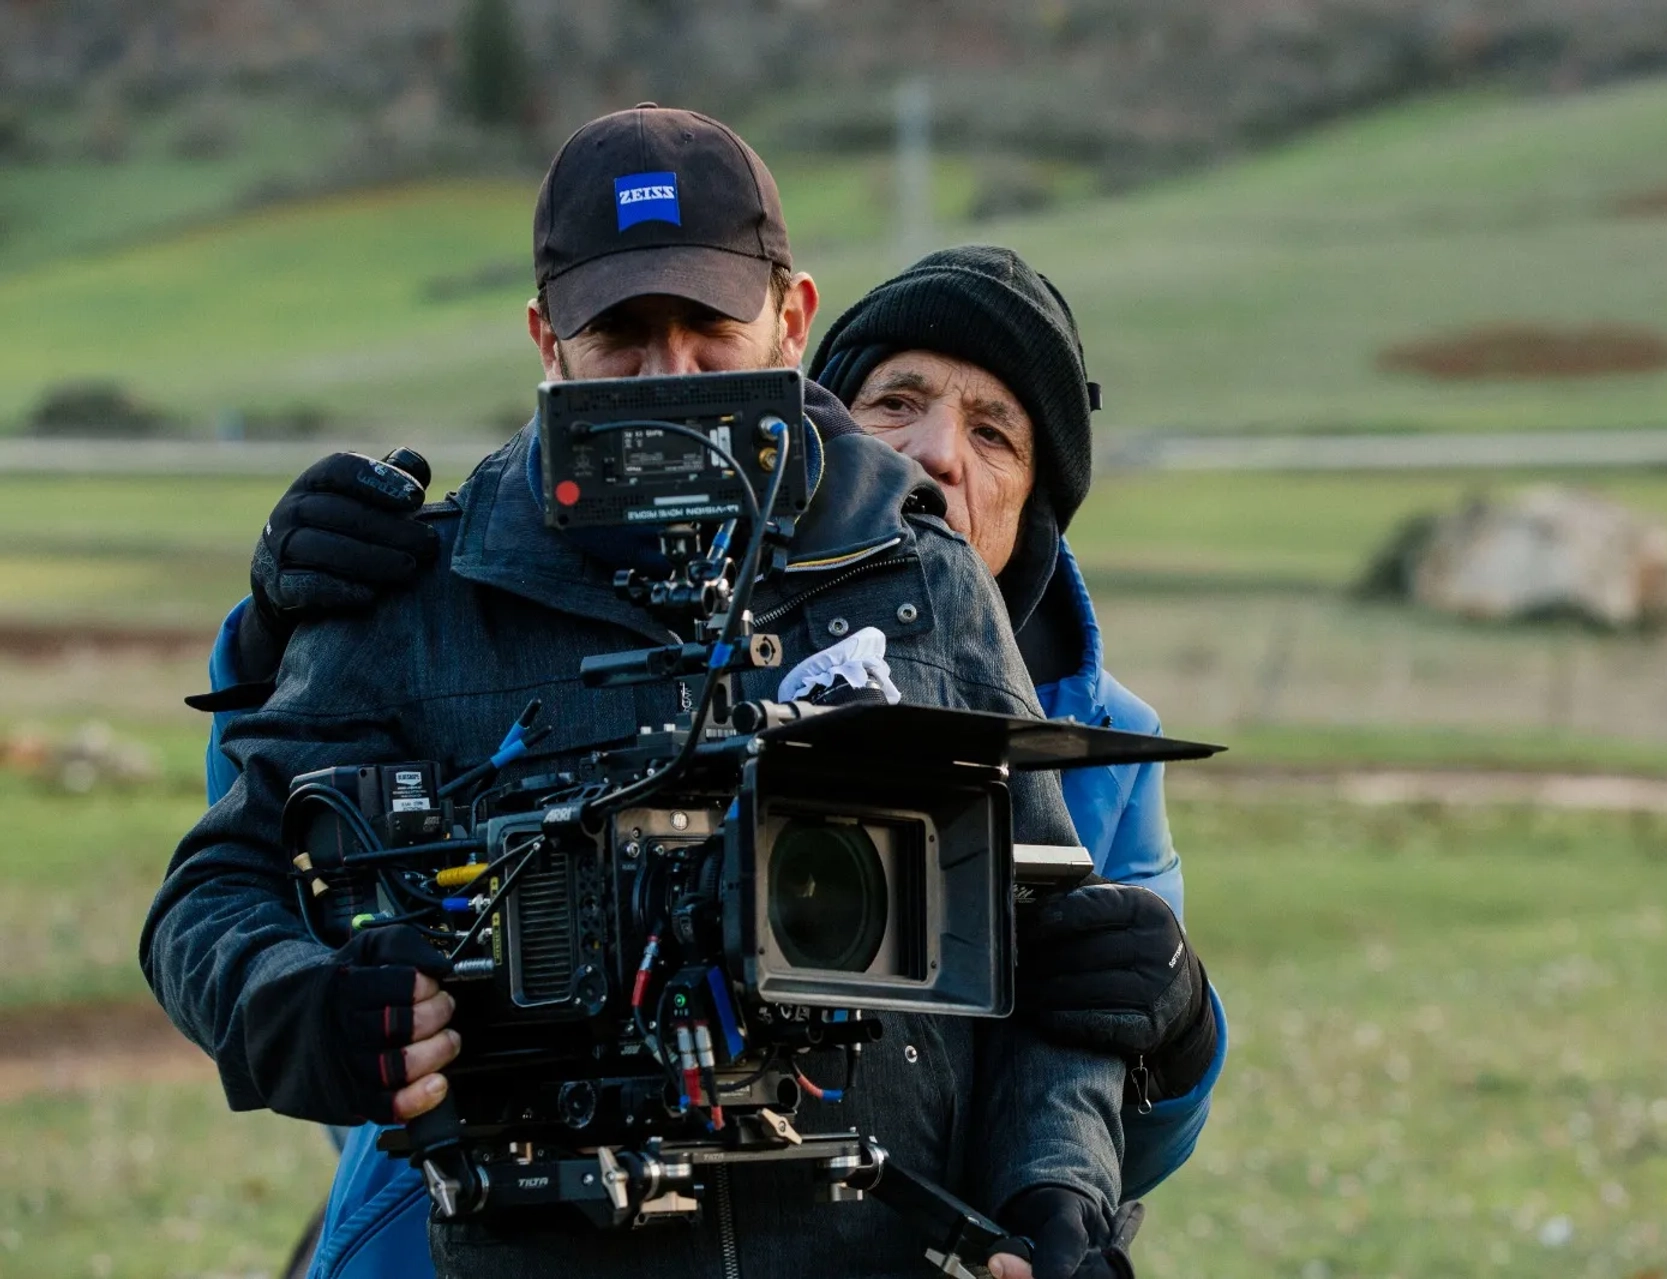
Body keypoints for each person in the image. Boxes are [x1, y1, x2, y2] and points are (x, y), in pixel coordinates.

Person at [147, 105, 1136, 1279]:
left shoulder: (915, 574)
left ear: (791, 318)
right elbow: (212, 893)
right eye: (621, 334)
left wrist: (1057, 1192)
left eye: (708, 328)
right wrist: (294, 1004)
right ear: (545, 339)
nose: (670, 375)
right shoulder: (421, 587)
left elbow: (1053, 954)